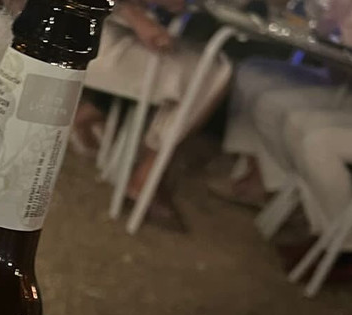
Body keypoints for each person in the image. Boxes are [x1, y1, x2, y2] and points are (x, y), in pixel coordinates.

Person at [210, 0, 352, 276]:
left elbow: (348, 35)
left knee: (318, 141)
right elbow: (335, 30)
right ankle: (321, 224)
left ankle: (347, 248)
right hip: (351, 84)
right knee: (284, 115)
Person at [71, 0, 234, 230]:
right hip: (83, 32)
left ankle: (92, 117)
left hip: (83, 25)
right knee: (212, 72)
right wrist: (135, 15)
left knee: (205, 65)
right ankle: (146, 175)